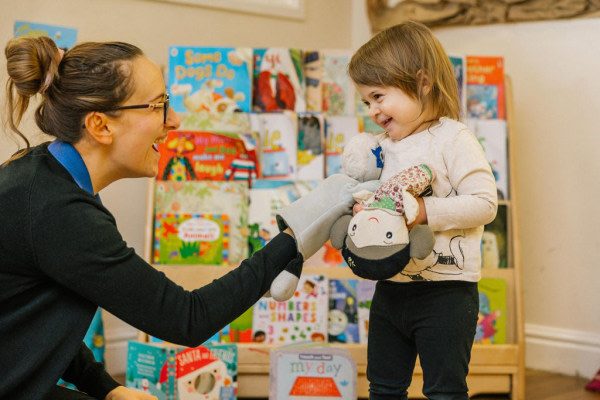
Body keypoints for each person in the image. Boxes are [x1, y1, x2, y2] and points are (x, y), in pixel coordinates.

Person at [0, 37, 313, 400]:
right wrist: (295, 235)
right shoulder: (57, 210)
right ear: (101, 126)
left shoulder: (46, 176)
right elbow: (187, 318)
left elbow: (36, 319)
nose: (175, 120)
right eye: (159, 105)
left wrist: (108, 388)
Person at [347, 21, 498, 399]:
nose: (373, 110)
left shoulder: (454, 137)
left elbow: (484, 203)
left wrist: (424, 211)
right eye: (367, 102)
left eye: (379, 96)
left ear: (423, 82)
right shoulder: (381, 148)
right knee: (382, 387)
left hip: (447, 292)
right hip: (391, 288)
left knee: (444, 390)